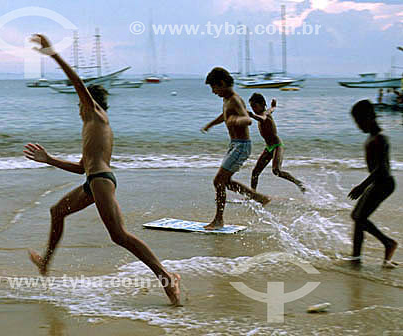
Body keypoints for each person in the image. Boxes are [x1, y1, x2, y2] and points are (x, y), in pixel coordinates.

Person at [24, 34, 180, 305]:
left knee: (119, 235)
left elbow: (77, 83)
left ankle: (166, 276)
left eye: (80, 104)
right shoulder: (91, 128)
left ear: (88, 103)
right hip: (93, 181)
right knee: (57, 211)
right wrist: (49, 160)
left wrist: (54, 54)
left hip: (101, 181)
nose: (78, 109)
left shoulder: (96, 115)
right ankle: (45, 262)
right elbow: (80, 169)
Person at [202, 67, 271, 230]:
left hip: (241, 145)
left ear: (222, 83)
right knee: (224, 181)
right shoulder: (226, 100)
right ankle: (258, 197)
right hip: (235, 145)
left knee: (219, 181)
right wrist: (211, 124)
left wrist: (235, 121)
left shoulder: (234, 99)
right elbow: (225, 115)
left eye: (214, 87)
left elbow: (247, 120)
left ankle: (219, 220)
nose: (213, 92)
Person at [348, 100, 398, 267]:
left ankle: (388, 243)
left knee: (359, 216)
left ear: (369, 118)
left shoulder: (379, 139)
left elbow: (381, 168)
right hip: (379, 182)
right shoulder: (373, 138)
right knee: (358, 216)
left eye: (359, 121)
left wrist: (362, 187)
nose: (358, 126)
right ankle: (355, 258)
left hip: (384, 183)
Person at [247, 93, 305, 193]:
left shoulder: (264, 115)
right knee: (255, 172)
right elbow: (272, 109)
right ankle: (253, 195)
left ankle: (298, 183)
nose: (253, 109)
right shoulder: (268, 111)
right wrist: (273, 106)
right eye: (252, 107)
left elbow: (262, 118)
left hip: (277, 146)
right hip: (269, 147)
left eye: (255, 106)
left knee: (276, 171)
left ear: (262, 104)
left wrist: (252, 116)